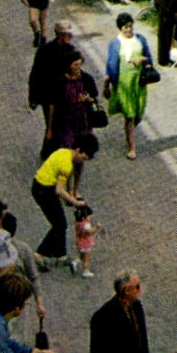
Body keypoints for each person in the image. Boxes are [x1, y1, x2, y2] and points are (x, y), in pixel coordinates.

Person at [32, 133, 98, 264]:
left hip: (40, 184)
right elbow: (59, 190)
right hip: (45, 191)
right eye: (83, 157)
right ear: (78, 150)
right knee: (59, 225)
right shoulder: (66, 165)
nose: (82, 161)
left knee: (60, 221)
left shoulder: (64, 152)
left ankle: (60, 254)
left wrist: (72, 193)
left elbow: (67, 179)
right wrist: (76, 202)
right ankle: (40, 253)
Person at [105, 12, 153, 160]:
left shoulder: (140, 39)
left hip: (138, 82)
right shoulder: (115, 43)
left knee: (139, 113)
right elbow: (110, 66)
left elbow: (149, 58)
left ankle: (130, 129)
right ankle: (131, 147)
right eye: (126, 27)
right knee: (129, 115)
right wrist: (107, 85)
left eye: (130, 26)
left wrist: (141, 59)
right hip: (123, 83)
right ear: (120, 28)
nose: (129, 30)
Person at [30, 21, 79, 158]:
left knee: (60, 124)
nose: (70, 37)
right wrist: (33, 98)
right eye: (67, 34)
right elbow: (35, 74)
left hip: (65, 95)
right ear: (60, 35)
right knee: (53, 124)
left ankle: (49, 150)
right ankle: (50, 152)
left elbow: (76, 73)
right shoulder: (45, 51)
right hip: (49, 96)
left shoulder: (71, 51)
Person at [55, 52, 101, 151]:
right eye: (75, 65)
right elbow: (56, 100)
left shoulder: (86, 78)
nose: (78, 67)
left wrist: (87, 98)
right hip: (66, 119)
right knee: (68, 145)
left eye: (79, 64)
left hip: (83, 118)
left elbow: (94, 96)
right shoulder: (61, 80)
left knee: (83, 146)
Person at [74, 204, 102, 279]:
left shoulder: (78, 223)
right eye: (89, 217)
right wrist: (97, 228)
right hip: (86, 244)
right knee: (86, 258)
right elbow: (90, 232)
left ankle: (75, 262)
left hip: (80, 243)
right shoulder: (86, 225)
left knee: (82, 256)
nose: (90, 218)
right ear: (84, 217)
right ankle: (85, 271)